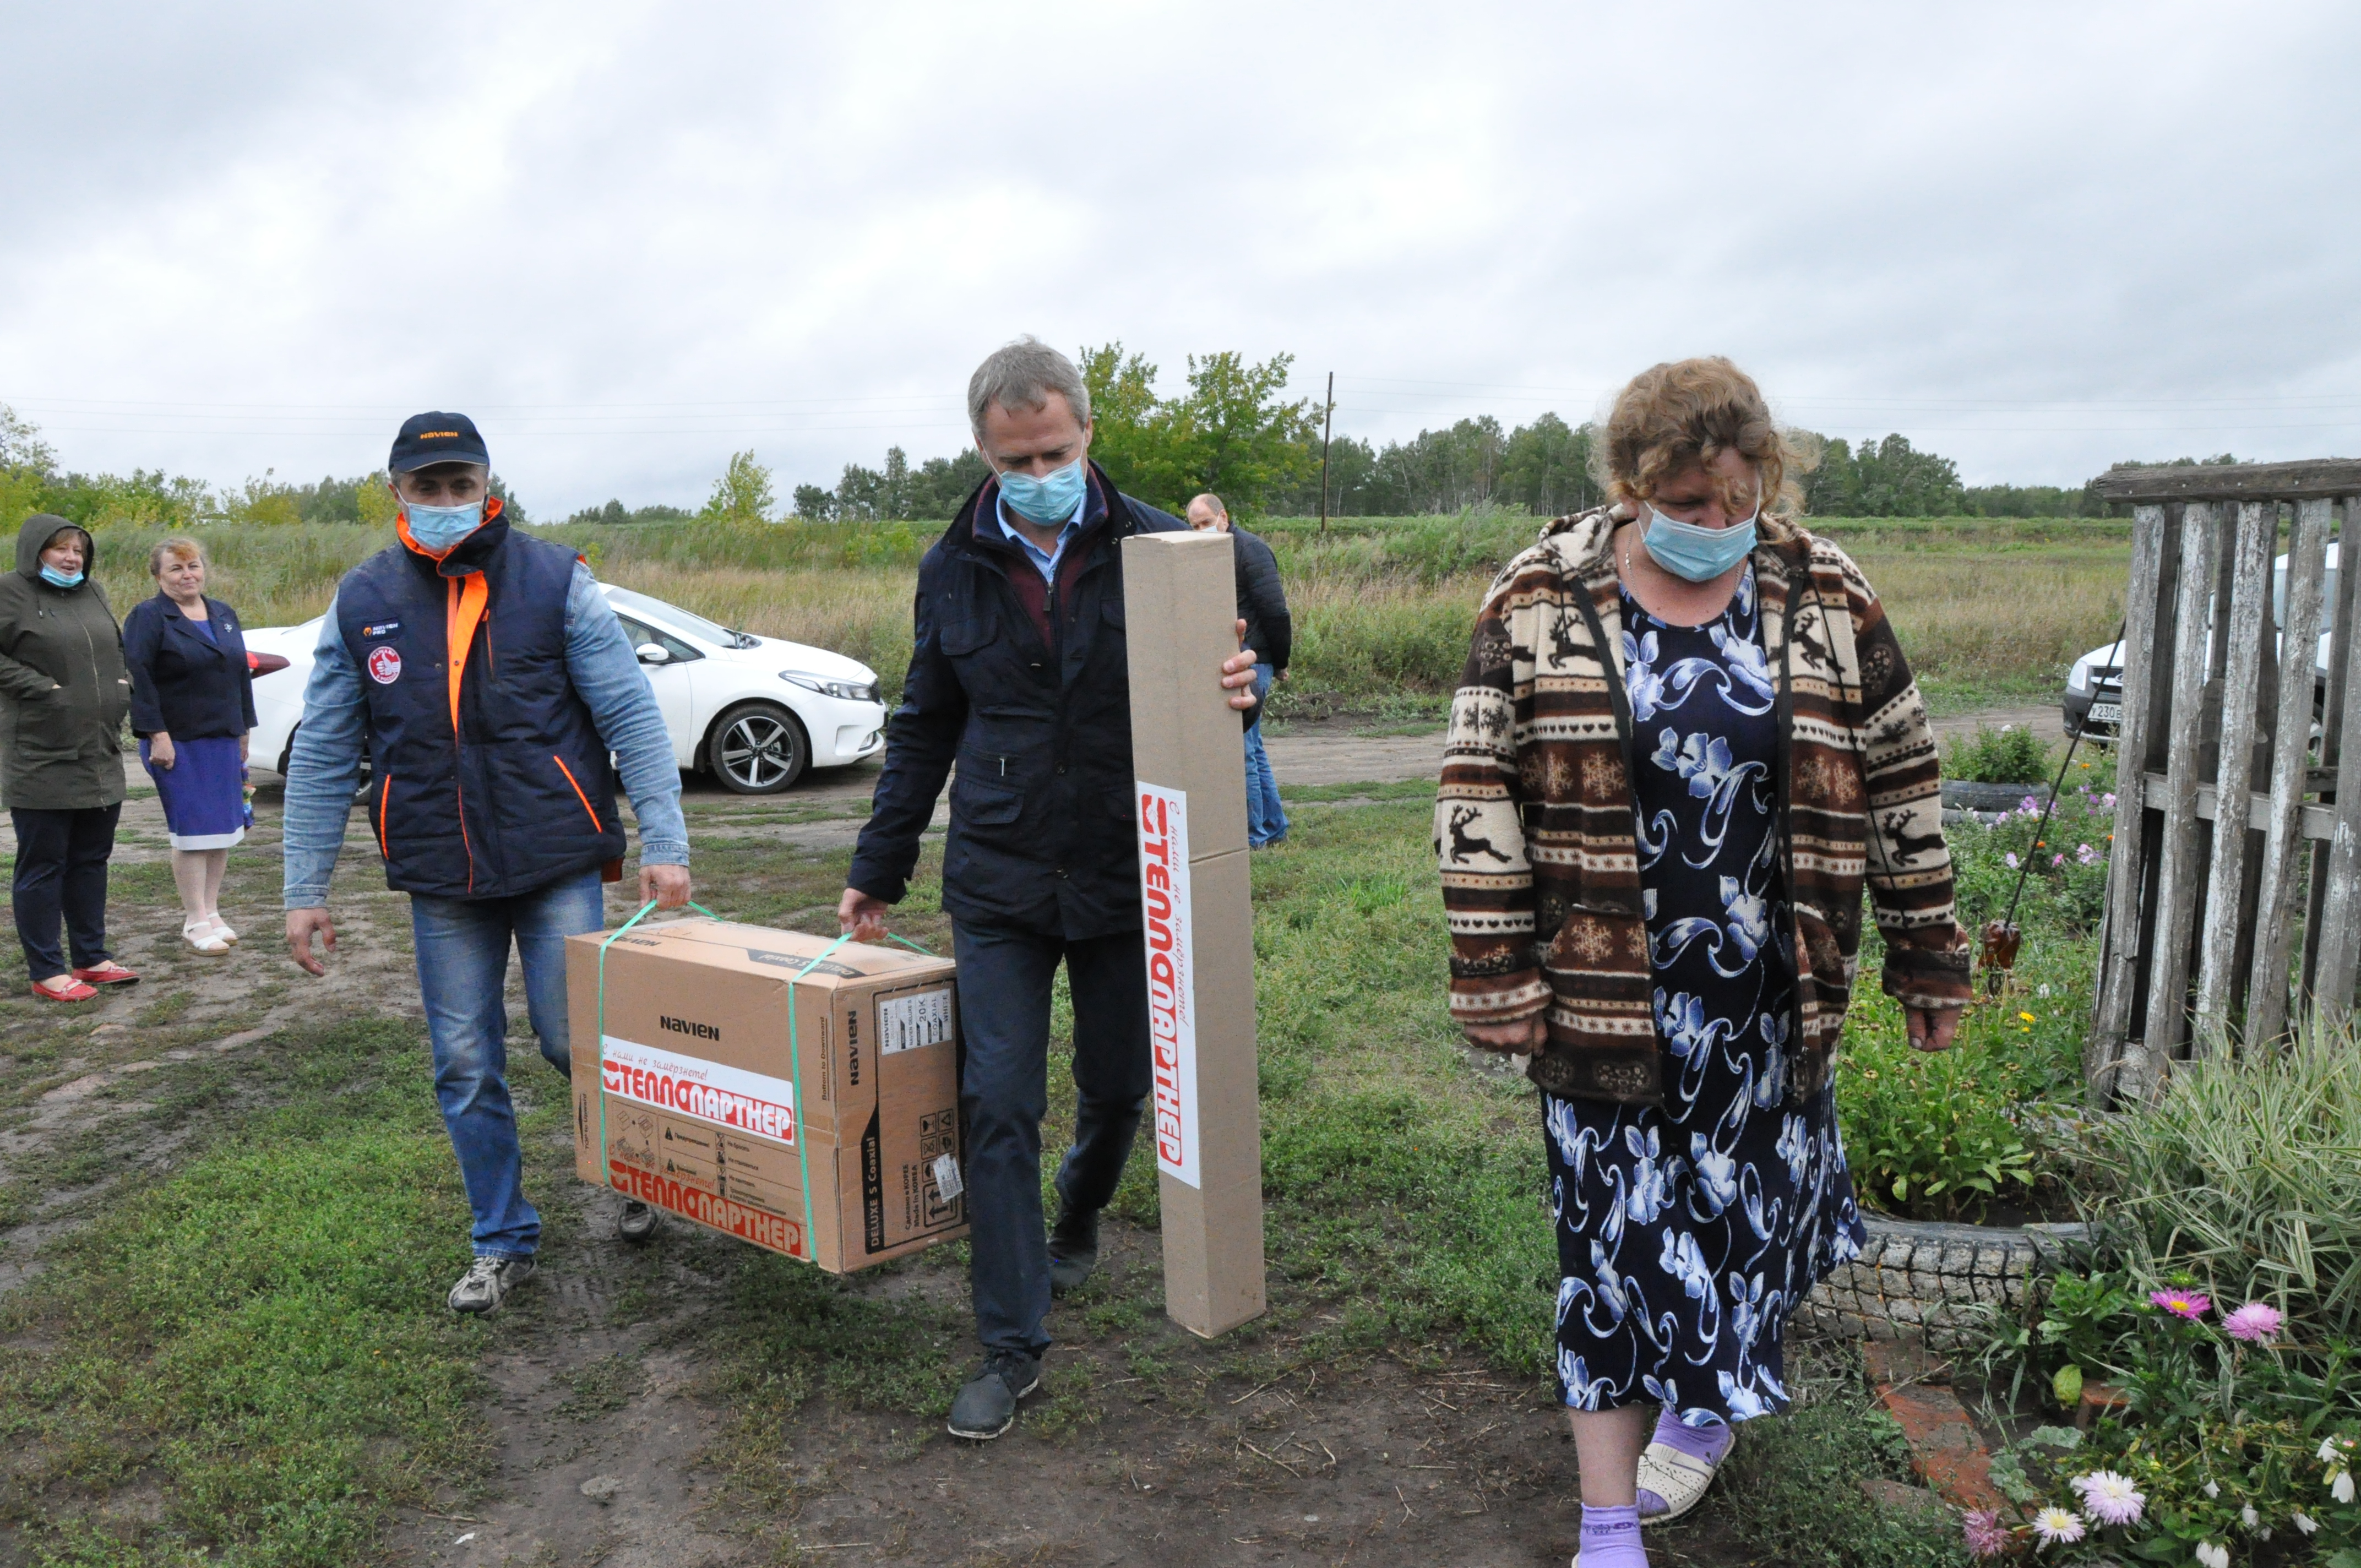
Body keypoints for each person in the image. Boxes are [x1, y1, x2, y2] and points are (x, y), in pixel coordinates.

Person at [1436, 358, 1970, 1568]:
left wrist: (1928, 956)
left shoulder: (1823, 589)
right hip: (1602, 999)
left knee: (1742, 1228)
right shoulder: (1536, 594)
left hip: (1770, 998)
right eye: (1685, 499)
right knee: (1610, 1248)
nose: (1715, 523)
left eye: (1736, 497)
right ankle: (1606, 1518)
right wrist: (1492, 968)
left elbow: (1900, 775)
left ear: (1764, 479)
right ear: (1630, 486)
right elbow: (1477, 786)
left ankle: (1703, 1399)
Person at [839, 339, 1260, 1442]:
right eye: (1014, 457)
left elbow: (1260, 644)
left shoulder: (1166, 545)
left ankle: (1078, 1212)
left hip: (1131, 869)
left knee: (1122, 1083)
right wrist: (876, 867)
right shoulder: (954, 565)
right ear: (981, 449)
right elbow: (925, 722)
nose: (1037, 473)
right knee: (996, 1102)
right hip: (1001, 875)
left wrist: (1246, 678)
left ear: (1088, 437)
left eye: (1055, 452)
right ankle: (1009, 1343)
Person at [282, 412, 692, 1315]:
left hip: (554, 859)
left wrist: (665, 841)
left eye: (458, 483)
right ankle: (502, 1240)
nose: (443, 500)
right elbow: (320, 753)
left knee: (566, 1037)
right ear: (396, 490)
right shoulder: (360, 600)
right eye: (425, 486)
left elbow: (630, 715)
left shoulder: (555, 580)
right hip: (442, 875)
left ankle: (638, 1169)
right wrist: (303, 888)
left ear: (487, 483)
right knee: (465, 1061)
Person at [0, 515, 139, 1000]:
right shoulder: (10, 592)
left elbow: (115, 649)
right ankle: (46, 970)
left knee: (90, 860)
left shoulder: (93, 591)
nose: (71, 558)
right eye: (60, 548)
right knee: (43, 864)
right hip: (41, 753)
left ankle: (91, 957)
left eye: (78, 549)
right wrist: (47, 691)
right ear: (36, 550)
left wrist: (125, 687)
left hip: (98, 751)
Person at [123, 537, 257, 955]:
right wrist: (155, 734)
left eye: (194, 567)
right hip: (178, 742)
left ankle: (213, 911)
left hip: (222, 737)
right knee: (192, 832)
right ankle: (194, 919)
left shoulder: (223, 613)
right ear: (159, 576)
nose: (188, 576)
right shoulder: (149, 617)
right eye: (177, 570)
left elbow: (239, 674)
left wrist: (244, 729)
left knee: (222, 830)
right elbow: (139, 678)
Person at [1185, 492, 1291, 847]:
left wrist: (1280, 662)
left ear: (1223, 516)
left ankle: (1253, 836)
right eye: (1194, 526)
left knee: (1242, 748)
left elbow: (1276, 611)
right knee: (1254, 746)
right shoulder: (1207, 555)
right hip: (1234, 656)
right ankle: (1273, 827)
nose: (1201, 530)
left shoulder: (1250, 550)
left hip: (1254, 659)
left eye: (1205, 522)